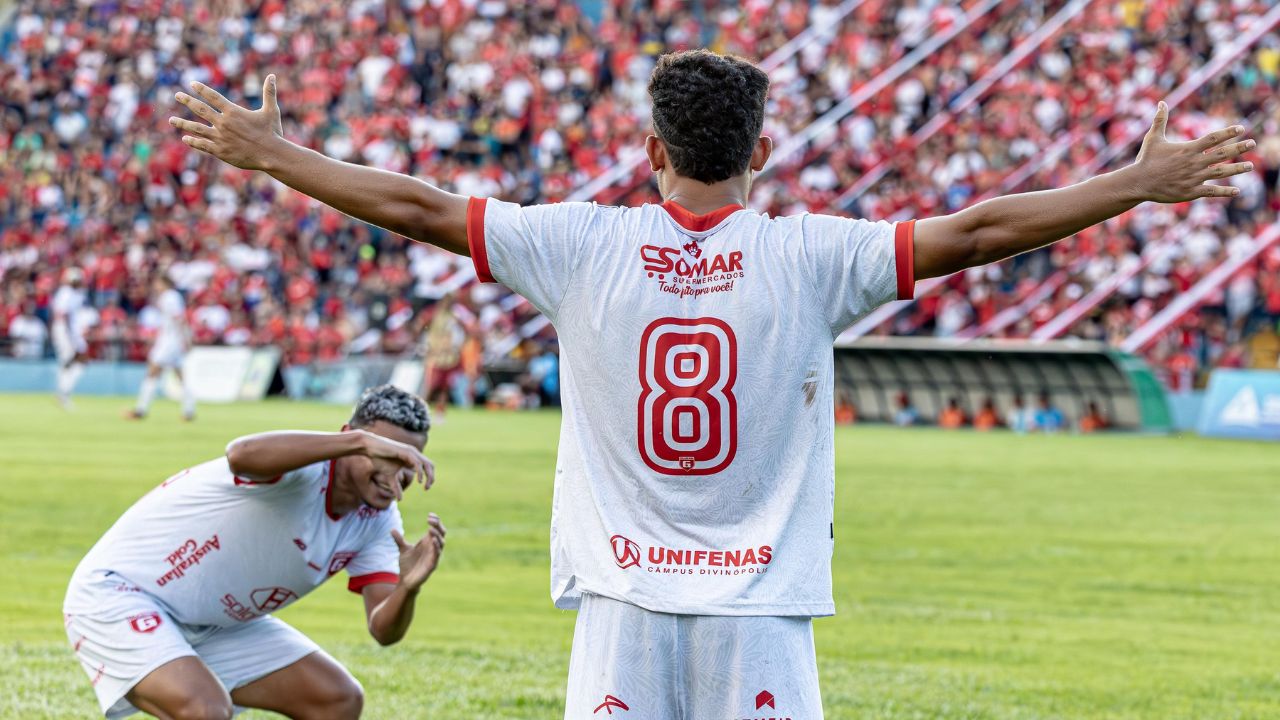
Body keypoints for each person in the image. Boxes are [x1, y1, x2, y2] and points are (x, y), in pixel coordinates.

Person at [169, 49, 1253, 718]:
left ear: (652, 150)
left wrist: (277, 156)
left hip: (621, 603)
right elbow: (976, 232)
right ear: (762, 151)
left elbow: (416, 207)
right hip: (761, 608)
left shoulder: (575, 244)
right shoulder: (817, 255)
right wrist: (1133, 183)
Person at [63, 385, 445, 719]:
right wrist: (359, 442)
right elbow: (241, 454)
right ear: (351, 438)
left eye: (409, 461)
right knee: (205, 711)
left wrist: (408, 588)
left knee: (337, 700)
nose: (398, 474)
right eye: (387, 455)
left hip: (211, 621)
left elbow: (383, 630)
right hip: (120, 594)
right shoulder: (305, 467)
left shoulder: (379, 523)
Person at [128, 276, 197, 421]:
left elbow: (179, 319)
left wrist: (185, 339)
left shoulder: (169, 296)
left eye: (157, 283)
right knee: (180, 376)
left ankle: (141, 409)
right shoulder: (172, 296)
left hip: (170, 341)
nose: (155, 287)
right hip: (172, 340)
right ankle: (189, 410)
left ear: (164, 283)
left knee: (152, 371)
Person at [51, 267, 91, 409]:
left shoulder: (77, 293)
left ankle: (63, 391)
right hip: (65, 331)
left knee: (78, 360)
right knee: (68, 360)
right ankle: (63, 394)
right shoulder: (65, 293)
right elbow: (63, 315)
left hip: (72, 331)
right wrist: (70, 336)